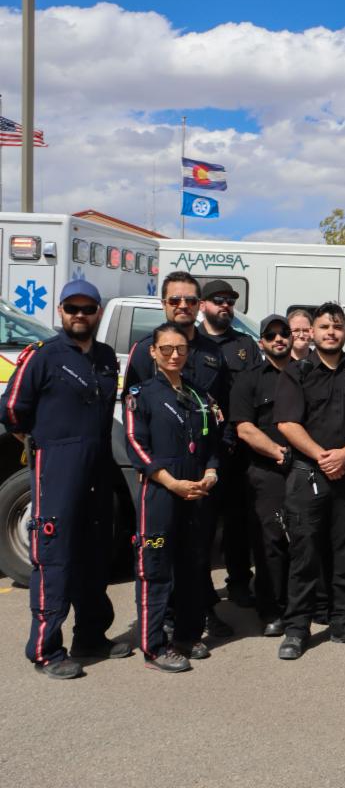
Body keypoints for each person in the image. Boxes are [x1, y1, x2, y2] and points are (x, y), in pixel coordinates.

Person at [2, 280, 131, 679]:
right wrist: (44, 445)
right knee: (55, 558)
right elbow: (11, 411)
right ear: (60, 312)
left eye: (87, 308)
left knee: (94, 554)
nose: (80, 315)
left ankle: (91, 636)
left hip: (97, 467)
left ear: (96, 312)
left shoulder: (108, 357)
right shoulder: (42, 356)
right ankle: (45, 650)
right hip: (57, 467)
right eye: (71, 308)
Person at [124, 271, 233, 638]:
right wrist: (152, 468)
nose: (183, 306)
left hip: (204, 468)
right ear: (164, 303)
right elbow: (135, 408)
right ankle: (165, 620)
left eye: (190, 300)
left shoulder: (213, 352)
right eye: (175, 300)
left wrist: (216, 463)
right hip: (164, 472)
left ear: (199, 304)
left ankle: (200, 611)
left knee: (198, 548)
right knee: (162, 553)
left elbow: (223, 410)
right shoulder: (144, 349)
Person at [273, 302, 345, 660]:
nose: (331, 332)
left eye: (337, 326)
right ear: (312, 333)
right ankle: (296, 629)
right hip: (308, 477)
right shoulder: (297, 372)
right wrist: (324, 456)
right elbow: (288, 424)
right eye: (324, 327)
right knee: (304, 555)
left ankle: (344, 623)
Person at [197, 279, 262, 610]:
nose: (225, 305)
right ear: (203, 305)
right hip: (205, 448)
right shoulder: (191, 343)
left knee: (239, 522)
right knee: (204, 524)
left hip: (238, 448)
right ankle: (202, 589)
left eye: (229, 301)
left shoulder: (245, 344)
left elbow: (254, 390)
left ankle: (239, 583)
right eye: (218, 300)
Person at [230, 315, 294, 637]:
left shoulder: (306, 374)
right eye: (272, 335)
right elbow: (244, 427)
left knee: (305, 540)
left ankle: (301, 606)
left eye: (284, 333)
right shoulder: (249, 379)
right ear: (262, 342)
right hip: (266, 471)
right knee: (270, 543)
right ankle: (271, 610)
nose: (279, 339)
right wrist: (279, 453)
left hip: (305, 470)